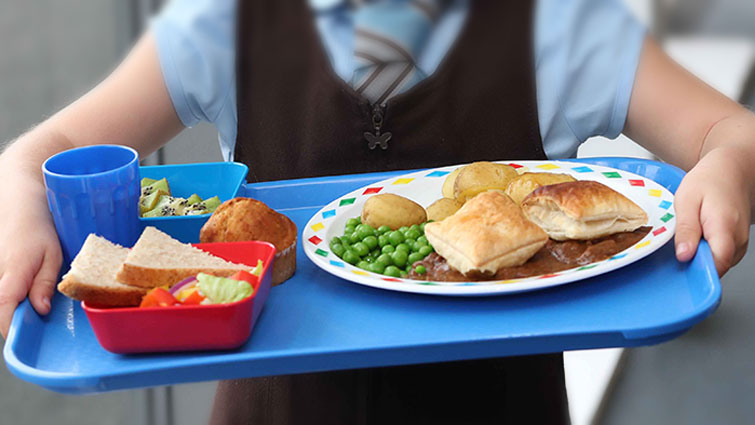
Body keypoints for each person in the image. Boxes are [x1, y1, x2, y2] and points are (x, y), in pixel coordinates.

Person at [1, 0, 753, 423]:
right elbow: (46, 150)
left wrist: (726, 166)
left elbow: (729, 129)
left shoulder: (564, 26)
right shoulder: (221, 25)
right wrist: (25, 204)